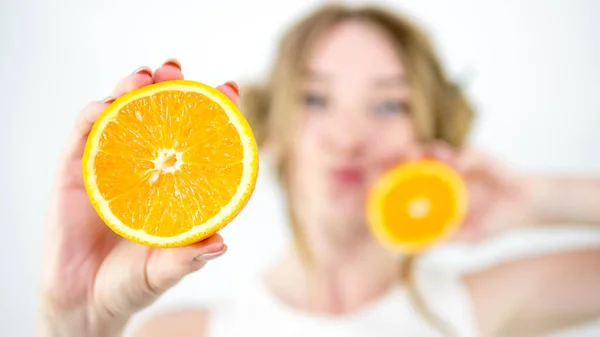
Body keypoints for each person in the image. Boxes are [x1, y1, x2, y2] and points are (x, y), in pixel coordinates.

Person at [38, 4, 600, 337]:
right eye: (314, 99)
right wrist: (73, 325)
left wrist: (538, 199)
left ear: (430, 132)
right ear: (269, 133)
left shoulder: (476, 306)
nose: (350, 136)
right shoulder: (180, 333)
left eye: (388, 104)